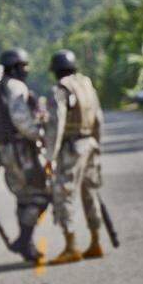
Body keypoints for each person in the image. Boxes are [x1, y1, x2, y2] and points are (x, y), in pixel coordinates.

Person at [0, 47, 50, 262]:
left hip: (4, 152)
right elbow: (21, 120)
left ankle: (27, 245)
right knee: (41, 195)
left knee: (23, 197)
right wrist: (39, 135)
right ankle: (24, 239)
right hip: (21, 152)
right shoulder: (16, 87)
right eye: (24, 66)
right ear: (15, 67)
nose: (27, 70)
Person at [43, 49, 105, 265]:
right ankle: (96, 241)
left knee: (64, 194)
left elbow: (56, 124)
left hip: (72, 147)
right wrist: (97, 142)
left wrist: (49, 156)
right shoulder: (86, 84)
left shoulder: (61, 89)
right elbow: (98, 116)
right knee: (91, 192)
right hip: (90, 143)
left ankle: (71, 246)